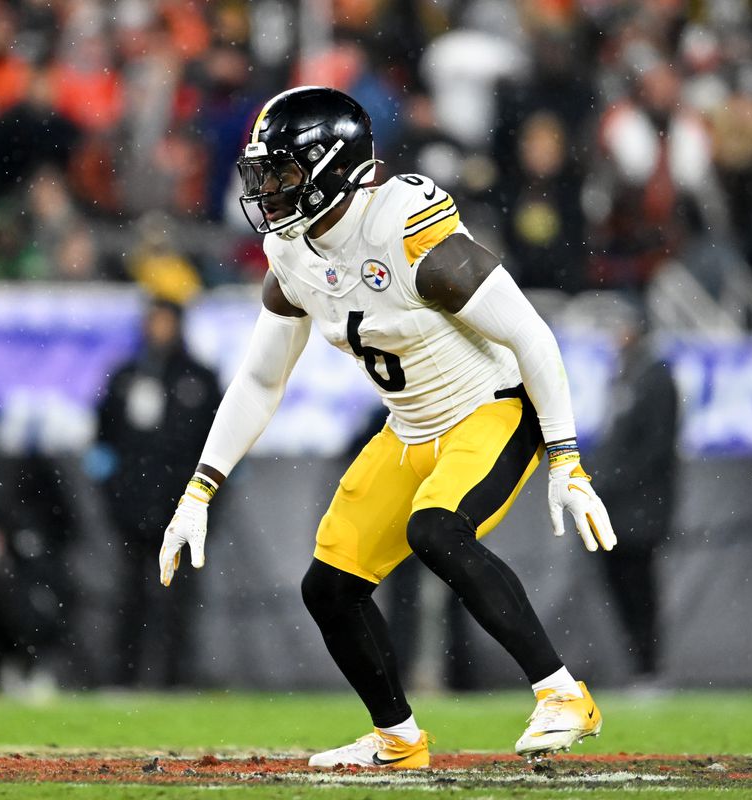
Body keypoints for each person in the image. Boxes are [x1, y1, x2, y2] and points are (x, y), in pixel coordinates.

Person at [157, 87, 617, 768]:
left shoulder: (406, 232)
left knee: (435, 530)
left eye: (282, 173)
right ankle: (398, 738)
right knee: (330, 588)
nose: (268, 191)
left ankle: (563, 694)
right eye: (264, 174)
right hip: (408, 428)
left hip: (489, 408)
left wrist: (566, 458)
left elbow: (531, 335)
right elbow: (260, 380)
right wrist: (199, 490)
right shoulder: (292, 253)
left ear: (333, 168)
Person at [93, 296, 220, 687]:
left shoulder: (199, 379)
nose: (159, 330)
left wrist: (205, 506)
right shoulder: (126, 377)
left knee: (179, 600)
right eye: (154, 322)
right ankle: (125, 676)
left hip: (180, 508)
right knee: (130, 595)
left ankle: (176, 678)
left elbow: (217, 446)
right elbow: (103, 444)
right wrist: (116, 499)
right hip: (133, 509)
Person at [587, 299, 679, 681]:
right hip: (615, 504)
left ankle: (648, 666)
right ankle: (638, 665)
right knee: (619, 585)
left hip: (640, 505)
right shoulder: (623, 374)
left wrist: (613, 480)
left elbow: (656, 447)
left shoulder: (654, 376)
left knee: (639, 586)